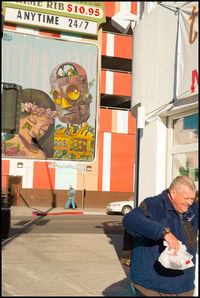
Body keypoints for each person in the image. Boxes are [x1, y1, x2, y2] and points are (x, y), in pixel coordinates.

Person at [123, 175, 198, 296]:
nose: (189, 202)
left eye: (192, 199)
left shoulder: (193, 208)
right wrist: (164, 233)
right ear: (173, 193)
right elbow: (130, 220)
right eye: (186, 198)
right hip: (152, 288)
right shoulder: (153, 204)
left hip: (184, 286)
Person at [2, 88, 57, 158]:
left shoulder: (38, 155)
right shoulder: (3, 146)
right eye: (31, 122)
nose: (36, 132)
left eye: (43, 129)